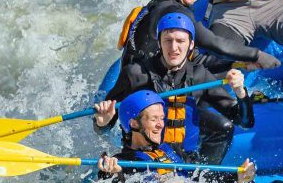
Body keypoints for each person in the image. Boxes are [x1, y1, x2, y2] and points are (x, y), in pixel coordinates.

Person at [95, 13, 254, 165]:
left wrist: (241, 92)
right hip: (142, 155)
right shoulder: (136, 73)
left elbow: (245, 122)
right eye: (168, 40)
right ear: (159, 42)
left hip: (182, 159)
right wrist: (103, 123)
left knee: (224, 128)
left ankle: (203, 177)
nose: (174, 48)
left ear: (191, 44)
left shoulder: (199, 75)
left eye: (180, 41)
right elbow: (103, 127)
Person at [97, 90, 256, 183]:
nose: (161, 125)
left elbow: (202, 179)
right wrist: (114, 177)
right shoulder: (121, 163)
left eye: (162, 118)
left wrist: (235, 179)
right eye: (153, 120)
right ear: (133, 123)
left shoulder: (173, 149)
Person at [117, 0, 280, 71]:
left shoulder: (149, 9)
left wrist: (235, 64)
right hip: (148, 99)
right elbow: (216, 43)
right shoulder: (174, 12)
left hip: (130, 92)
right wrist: (256, 55)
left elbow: (195, 60)